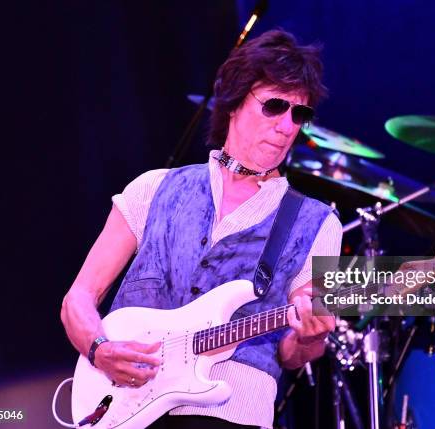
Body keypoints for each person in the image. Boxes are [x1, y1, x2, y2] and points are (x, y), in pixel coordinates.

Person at [61, 29, 342, 429]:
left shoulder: (316, 223)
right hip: (121, 405)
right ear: (232, 102)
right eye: (275, 106)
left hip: (230, 412)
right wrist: (99, 349)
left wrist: (311, 337)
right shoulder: (154, 188)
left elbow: (293, 351)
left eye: (300, 114)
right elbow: (80, 297)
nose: (286, 126)